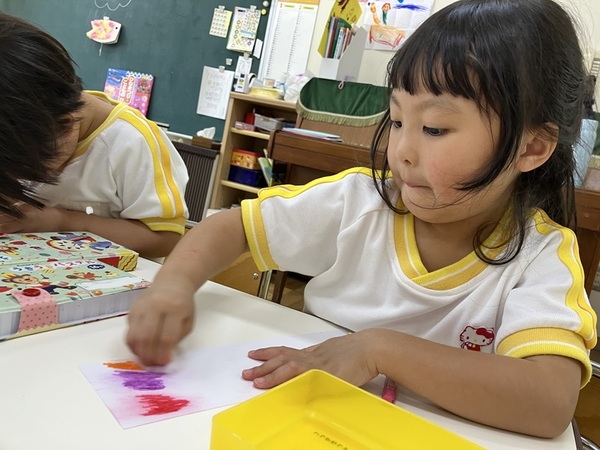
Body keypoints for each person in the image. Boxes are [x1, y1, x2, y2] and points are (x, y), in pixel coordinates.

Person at [126, 0, 598, 438]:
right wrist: (173, 286)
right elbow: (229, 228)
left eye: (435, 128)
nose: (402, 151)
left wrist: (379, 349)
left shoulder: (540, 255)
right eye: (397, 121)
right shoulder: (358, 202)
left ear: (531, 147)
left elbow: (548, 400)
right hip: (304, 420)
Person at [0, 13, 189, 259]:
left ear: (65, 127)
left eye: (25, 170)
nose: (17, 179)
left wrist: (62, 221)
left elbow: (165, 239)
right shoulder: (25, 127)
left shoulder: (133, 142)